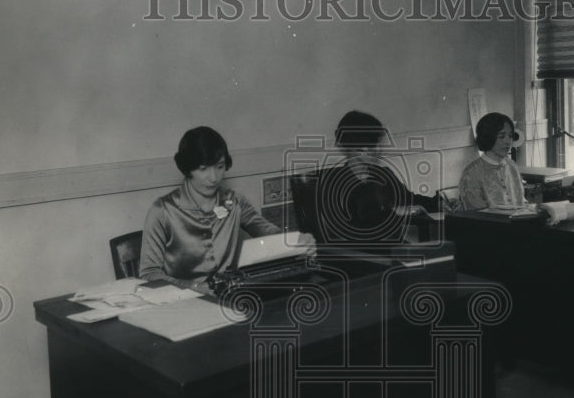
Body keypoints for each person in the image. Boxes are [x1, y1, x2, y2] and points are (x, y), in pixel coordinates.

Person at [139, 126, 281, 291]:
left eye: (220, 167)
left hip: (231, 298)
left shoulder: (234, 202)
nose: (213, 178)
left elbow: (268, 231)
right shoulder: (162, 210)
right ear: (187, 168)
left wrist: (297, 241)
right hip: (183, 305)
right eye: (203, 169)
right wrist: (194, 287)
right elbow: (149, 274)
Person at [313, 110, 442, 243]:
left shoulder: (384, 175)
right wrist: (397, 212)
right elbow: (358, 227)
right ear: (354, 148)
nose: (379, 150)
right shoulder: (334, 184)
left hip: (393, 246)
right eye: (373, 145)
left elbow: (409, 199)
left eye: (378, 144)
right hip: (363, 254)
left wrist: (440, 203)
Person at [458, 112, 526, 210]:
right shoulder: (471, 173)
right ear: (488, 138)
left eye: (510, 136)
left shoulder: (511, 165)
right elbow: (475, 215)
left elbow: (521, 203)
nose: (508, 141)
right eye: (501, 136)